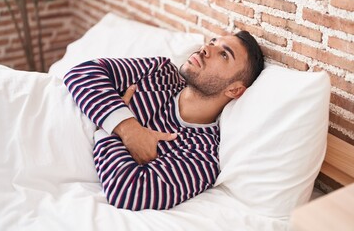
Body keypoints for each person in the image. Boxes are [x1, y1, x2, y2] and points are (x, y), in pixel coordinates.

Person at [64, 30, 264, 211]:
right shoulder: (160, 72)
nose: (206, 49)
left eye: (224, 54)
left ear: (234, 90)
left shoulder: (202, 155)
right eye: (212, 41)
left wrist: (106, 127)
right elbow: (81, 73)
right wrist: (127, 128)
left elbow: (131, 194)